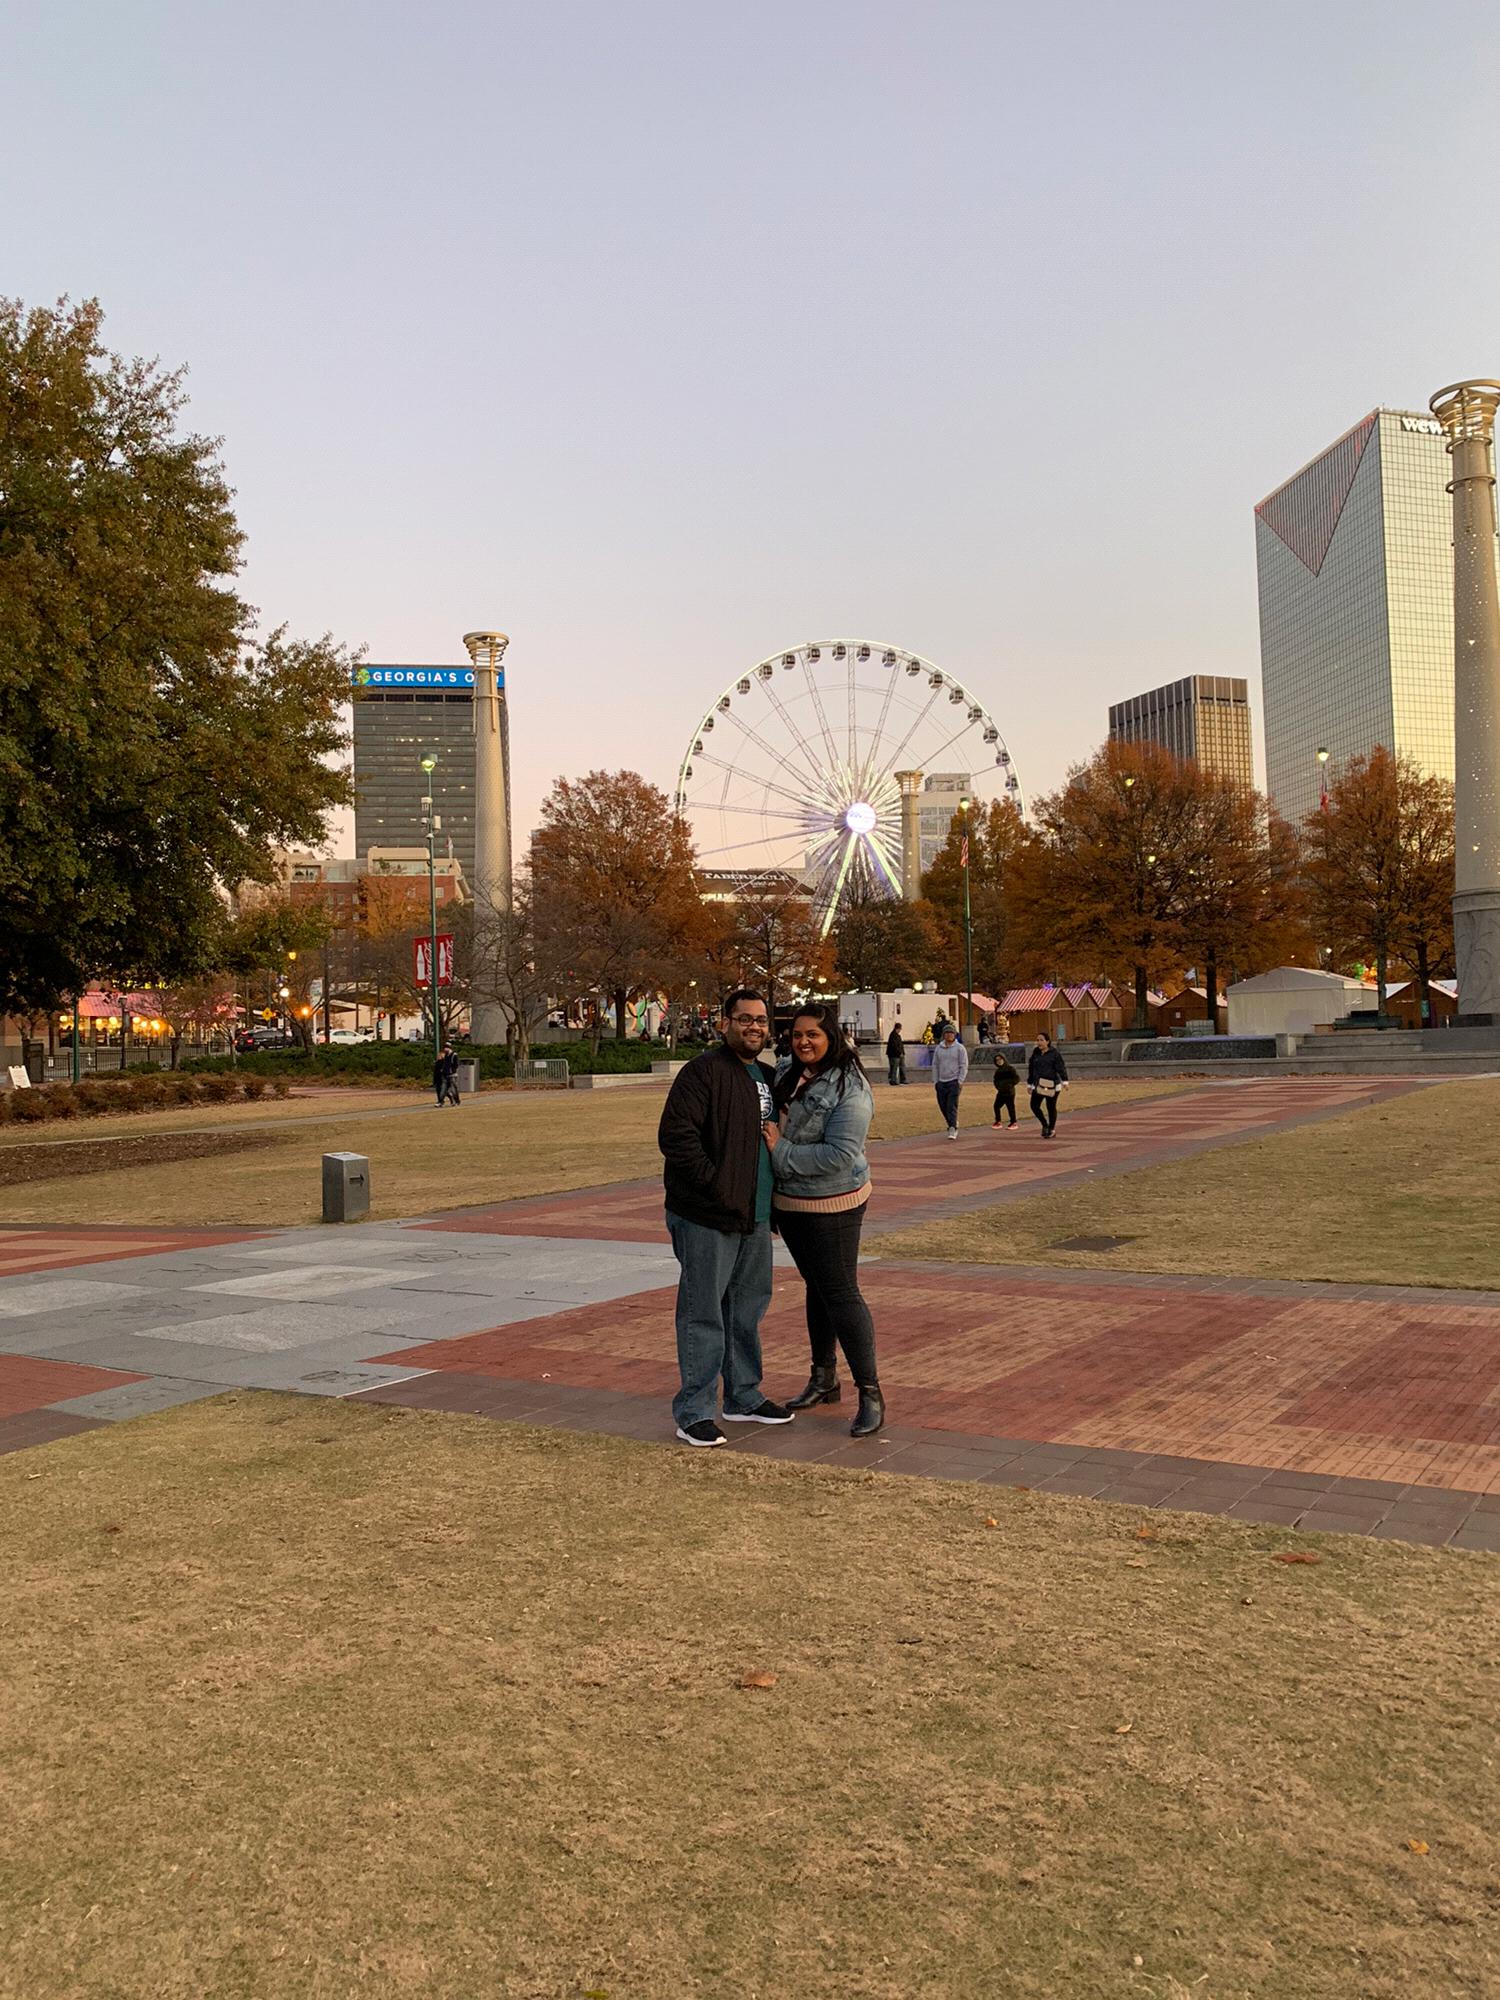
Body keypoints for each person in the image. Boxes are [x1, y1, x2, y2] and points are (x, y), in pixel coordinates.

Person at [657, 989, 796, 1446]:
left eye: (761, 1020)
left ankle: (744, 1396)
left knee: (746, 1310)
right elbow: (677, 1138)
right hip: (707, 1216)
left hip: (754, 1217)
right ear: (725, 1023)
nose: (755, 1027)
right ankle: (694, 1411)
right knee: (703, 1313)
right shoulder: (702, 1073)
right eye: (744, 1019)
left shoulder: (770, 1077)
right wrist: (716, 1187)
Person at [766, 1003, 883, 1437]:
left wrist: (780, 1152)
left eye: (813, 1034)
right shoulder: (785, 1072)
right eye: (797, 1035)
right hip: (791, 1203)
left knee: (840, 1292)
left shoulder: (850, 1088)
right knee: (817, 1287)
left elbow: (838, 1156)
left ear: (831, 1035)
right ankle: (824, 1377)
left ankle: (869, 1391)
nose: (804, 1042)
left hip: (833, 1204)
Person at [1027, 1031, 1069, 1138]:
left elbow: (1061, 1067)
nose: (1039, 1042)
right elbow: (1031, 1069)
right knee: (1034, 1106)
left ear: (1047, 1041)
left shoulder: (1054, 1053)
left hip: (1052, 1084)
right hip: (1038, 1084)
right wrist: (1029, 1084)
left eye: (1041, 1040)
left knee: (1050, 1107)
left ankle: (1051, 1129)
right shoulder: (1035, 1053)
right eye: (1037, 1040)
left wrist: (1065, 1081)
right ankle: (1044, 1124)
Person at [931, 1022, 968, 1139]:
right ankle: (952, 1122)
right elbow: (935, 1065)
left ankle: (952, 1128)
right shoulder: (939, 1048)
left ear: (955, 1035)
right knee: (943, 1105)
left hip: (954, 1081)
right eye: (946, 1033)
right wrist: (936, 1081)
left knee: (951, 1105)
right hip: (941, 1081)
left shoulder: (960, 1049)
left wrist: (960, 1081)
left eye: (951, 1033)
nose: (949, 1035)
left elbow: (963, 1065)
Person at [992, 1049, 1020, 1128]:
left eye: (1000, 1059)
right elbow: (995, 1081)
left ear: (1004, 1059)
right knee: (996, 1106)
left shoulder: (1010, 1069)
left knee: (1010, 1107)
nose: (999, 1061)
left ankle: (1013, 1122)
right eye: (997, 1060)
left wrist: (1009, 1085)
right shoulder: (997, 1071)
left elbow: (1017, 1078)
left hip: (1009, 1092)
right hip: (1001, 1092)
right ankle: (998, 1121)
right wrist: (998, 1087)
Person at [432, 1043, 460, 1107]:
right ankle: (440, 1101)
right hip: (445, 1075)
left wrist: (451, 1070)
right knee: (443, 1089)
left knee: (453, 1089)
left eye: (446, 1047)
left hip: (452, 1074)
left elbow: (456, 1065)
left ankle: (457, 1101)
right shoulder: (446, 1055)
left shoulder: (454, 1055)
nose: (445, 1049)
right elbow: (444, 1064)